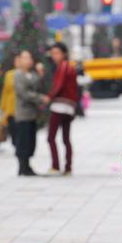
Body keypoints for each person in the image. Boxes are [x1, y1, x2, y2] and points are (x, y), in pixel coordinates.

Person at [13, 50, 49, 176]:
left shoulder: (32, 74)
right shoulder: (18, 74)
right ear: (20, 60)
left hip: (32, 113)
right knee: (23, 142)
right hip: (22, 114)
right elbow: (23, 93)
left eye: (30, 57)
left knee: (31, 141)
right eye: (25, 57)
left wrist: (40, 74)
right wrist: (40, 98)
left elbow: (38, 86)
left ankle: (26, 166)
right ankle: (23, 167)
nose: (28, 60)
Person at [45, 42, 79, 176]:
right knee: (66, 138)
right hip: (69, 107)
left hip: (60, 106)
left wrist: (49, 96)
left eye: (56, 53)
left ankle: (55, 166)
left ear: (64, 54)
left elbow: (59, 85)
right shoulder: (69, 66)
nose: (54, 56)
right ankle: (68, 167)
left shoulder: (63, 66)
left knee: (51, 137)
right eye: (52, 53)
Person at [0, 55, 21, 146]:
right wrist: (3, 108)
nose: (18, 63)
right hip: (10, 107)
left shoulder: (26, 74)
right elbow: (5, 91)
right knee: (12, 129)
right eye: (16, 61)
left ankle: (20, 148)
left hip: (21, 108)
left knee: (20, 130)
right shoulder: (9, 74)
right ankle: (16, 146)